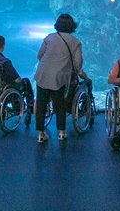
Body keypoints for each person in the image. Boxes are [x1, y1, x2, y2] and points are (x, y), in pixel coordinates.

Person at [34, 13, 90, 143]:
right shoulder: (75, 42)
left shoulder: (49, 38)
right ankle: (61, 133)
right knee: (60, 104)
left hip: (42, 74)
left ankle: (40, 135)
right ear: (72, 26)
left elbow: (39, 55)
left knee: (41, 104)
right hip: (60, 77)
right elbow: (78, 63)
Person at [0, 35, 34, 107]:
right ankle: (30, 106)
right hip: (3, 92)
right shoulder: (5, 62)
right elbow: (17, 80)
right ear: (3, 45)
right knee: (26, 81)